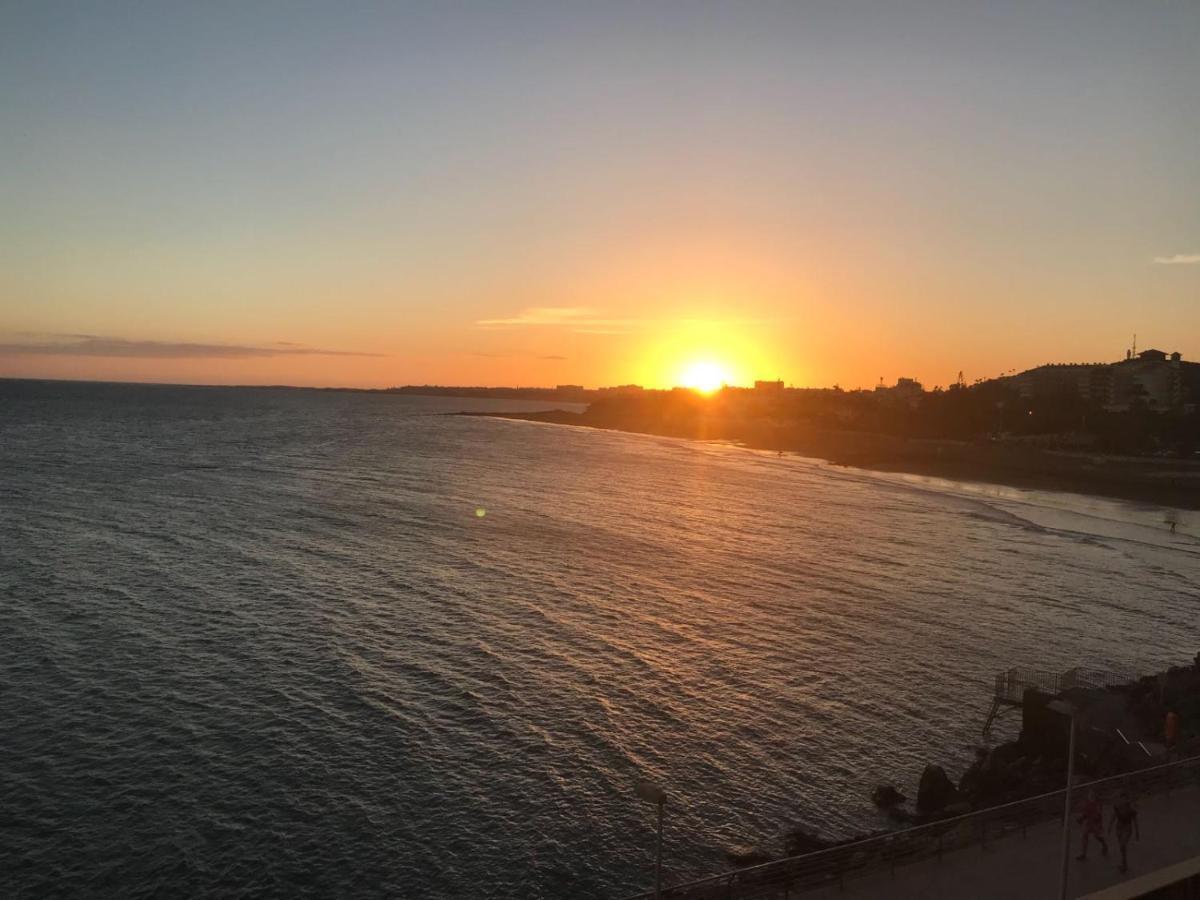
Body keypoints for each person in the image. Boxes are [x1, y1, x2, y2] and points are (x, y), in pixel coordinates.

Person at [1108, 792, 1140, 873]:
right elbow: (1113, 816)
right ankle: (1124, 863)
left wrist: (1137, 832)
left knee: (1122, 845)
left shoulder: (1131, 809)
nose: (1122, 800)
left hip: (1127, 827)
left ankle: (1124, 864)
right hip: (1119, 827)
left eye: (1124, 799)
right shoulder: (1117, 807)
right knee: (1121, 847)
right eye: (1121, 798)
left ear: (1126, 799)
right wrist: (1110, 826)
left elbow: (1135, 821)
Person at [1076, 790, 1108, 860]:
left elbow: (1098, 815)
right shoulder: (1087, 803)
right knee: (1084, 835)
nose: (1091, 796)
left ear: (1096, 795)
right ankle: (1083, 854)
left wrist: (1087, 817)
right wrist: (1081, 819)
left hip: (1096, 822)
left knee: (1097, 836)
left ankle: (1104, 845)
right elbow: (1085, 813)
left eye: (1093, 794)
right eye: (1090, 794)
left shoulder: (1098, 803)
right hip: (1088, 822)